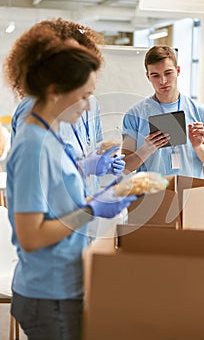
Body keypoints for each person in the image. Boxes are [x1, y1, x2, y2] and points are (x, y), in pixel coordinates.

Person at [4, 28, 137, 340]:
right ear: (54, 91)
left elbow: (52, 184)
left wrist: (87, 168)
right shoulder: (33, 145)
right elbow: (31, 236)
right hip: (47, 292)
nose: (89, 106)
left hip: (65, 283)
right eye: (84, 96)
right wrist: (89, 208)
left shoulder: (49, 135)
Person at [9, 18, 125, 198]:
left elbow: (94, 147)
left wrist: (106, 161)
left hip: (83, 201)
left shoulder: (91, 103)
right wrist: (84, 167)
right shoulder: (33, 109)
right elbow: (36, 180)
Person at [122, 45, 204, 178]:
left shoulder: (201, 112)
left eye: (168, 73)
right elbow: (124, 168)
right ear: (148, 76)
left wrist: (198, 147)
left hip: (190, 193)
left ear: (178, 70)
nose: (163, 81)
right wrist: (146, 150)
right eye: (155, 75)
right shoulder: (134, 115)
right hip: (153, 195)